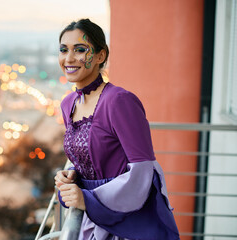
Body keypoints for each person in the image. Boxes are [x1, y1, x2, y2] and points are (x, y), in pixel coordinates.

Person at [54, 18, 180, 240]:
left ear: (101, 56)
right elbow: (90, 157)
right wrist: (72, 176)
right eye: (64, 50)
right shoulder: (68, 104)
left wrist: (87, 199)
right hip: (91, 217)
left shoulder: (119, 101)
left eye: (80, 49)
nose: (69, 58)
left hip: (127, 221)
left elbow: (142, 170)